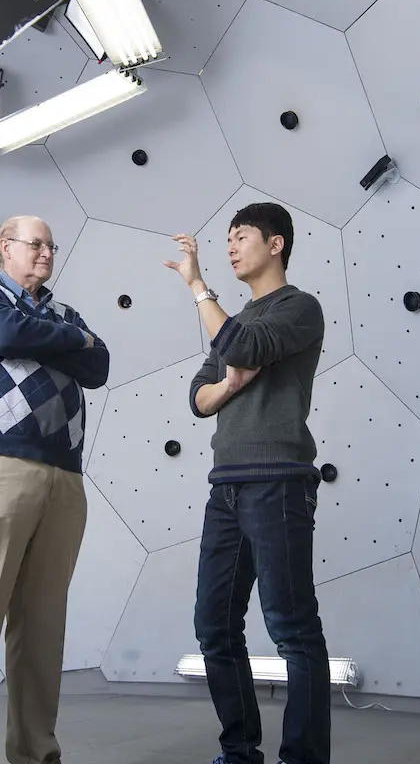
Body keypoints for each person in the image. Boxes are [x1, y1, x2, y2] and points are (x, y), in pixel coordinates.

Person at [0, 215, 109, 764]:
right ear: (4, 248)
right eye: (36, 244)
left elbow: (98, 363)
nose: (47, 254)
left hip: (63, 474)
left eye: (52, 246)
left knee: (41, 629)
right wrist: (70, 341)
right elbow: (3, 334)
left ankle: (37, 754)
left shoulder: (62, 311)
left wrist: (66, 338)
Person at [164, 202, 331, 764]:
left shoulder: (299, 308)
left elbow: (241, 349)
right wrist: (233, 382)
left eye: (241, 237)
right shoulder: (233, 320)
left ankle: (303, 758)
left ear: (275, 244)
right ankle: (240, 752)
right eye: (227, 238)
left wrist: (198, 288)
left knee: (291, 628)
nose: (230, 246)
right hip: (227, 486)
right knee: (213, 625)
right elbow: (198, 398)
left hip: (279, 481)